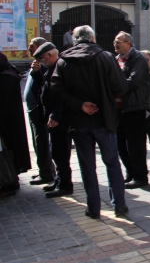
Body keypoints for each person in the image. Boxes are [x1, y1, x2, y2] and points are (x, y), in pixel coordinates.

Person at [51, 25, 128, 219]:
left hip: (78, 121)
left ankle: (93, 208)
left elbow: (56, 89)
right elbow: (120, 86)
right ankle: (119, 205)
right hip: (104, 119)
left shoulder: (63, 61)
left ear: (75, 39)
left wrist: (80, 105)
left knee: (87, 166)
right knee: (111, 162)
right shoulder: (106, 57)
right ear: (92, 38)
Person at [31, 43, 73, 198]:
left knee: (61, 153)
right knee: (55, 151)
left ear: (49, 55)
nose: (41, 62)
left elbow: (61, 95)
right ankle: (59, 180)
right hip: (52, 118)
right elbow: (44, 87)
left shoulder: (60, 67)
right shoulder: (50, 68)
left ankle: (65, 185)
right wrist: (36, 73)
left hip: (59, 119)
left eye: (42, 59)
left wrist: (55, 115)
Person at [114, 32, 150, 189]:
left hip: (134, 107)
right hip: (119, 109)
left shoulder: (138, 58)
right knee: (121, 144)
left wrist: (115, 86)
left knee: (135, 145)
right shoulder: (116, 59)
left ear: (128, 43)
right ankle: (130, 172)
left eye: (119, 42)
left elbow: (134, 81)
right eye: (115, 42)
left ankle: (140, 176)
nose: (115, 45)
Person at [24, 37, 54, 186]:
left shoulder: (45, 64)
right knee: (38, 141)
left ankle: (47, 173)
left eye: (32, 46)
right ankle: (45, 169)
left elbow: (45, 85)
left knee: (41, 141)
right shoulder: (37, 63)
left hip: (39, 108)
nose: (30, 49)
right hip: (33, 107)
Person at [0, 53, 31, 197]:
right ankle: (11, 179)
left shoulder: (6, 77)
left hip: (8, 124)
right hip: (10, 122)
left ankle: (10, 182)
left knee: (8, 155)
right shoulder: (8, 74)